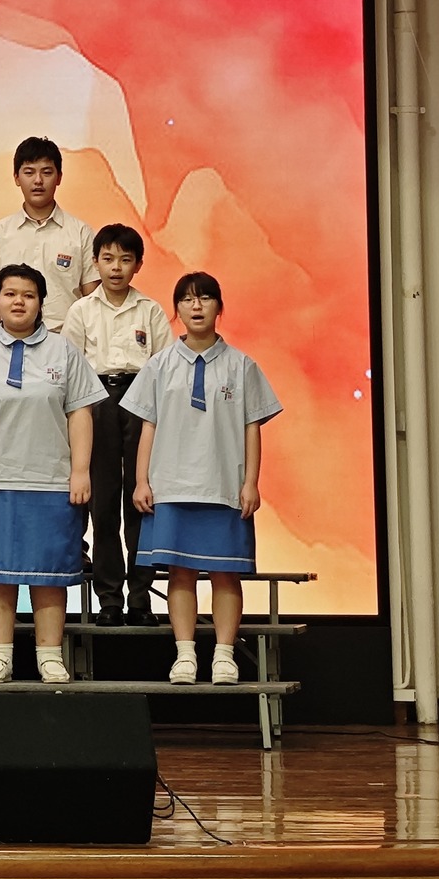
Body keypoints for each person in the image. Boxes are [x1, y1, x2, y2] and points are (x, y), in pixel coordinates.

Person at [0, 264, 104, 683]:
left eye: (28, 295)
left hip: (50, 479)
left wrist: (80, 471)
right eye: (10, 294)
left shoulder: (64, 351)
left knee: (50, 573)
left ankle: (50, 656)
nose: (18, 302)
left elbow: (80, 414)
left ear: (41, 303)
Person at [126, 272, 283, 685]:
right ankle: (185, 655)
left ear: (219, 307)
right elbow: (147, 425)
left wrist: (251, 482)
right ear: (176, 309)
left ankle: (225, 656)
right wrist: (142, 480)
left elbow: (252, 427)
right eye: (187, 300)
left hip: (223, 485)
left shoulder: (242, 365)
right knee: (180, 573)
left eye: (205, 298)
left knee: (225, 574)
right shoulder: (158, 365)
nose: (196, 307)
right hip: (171, 484)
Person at [61, 223, 175, 627]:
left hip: (141, 401)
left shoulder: (150, 310)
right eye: (108, 259)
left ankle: (140, 600)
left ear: (138, 265)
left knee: (142, 501)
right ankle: (109, 599)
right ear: (95, 262)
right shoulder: (81, 310)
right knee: (103, 504)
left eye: (125, 260)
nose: (116, 268)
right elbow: (71, 369)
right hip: (95, 402)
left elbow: (164, 367)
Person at [0, 137, 96, 331]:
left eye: (46, 172)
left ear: (59, 177)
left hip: (65, 340)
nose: (38, 181)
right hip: (11, 341)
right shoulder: (0, 232)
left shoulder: (81, 233)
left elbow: (92, 302)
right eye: (29, 172)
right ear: (16, 177)